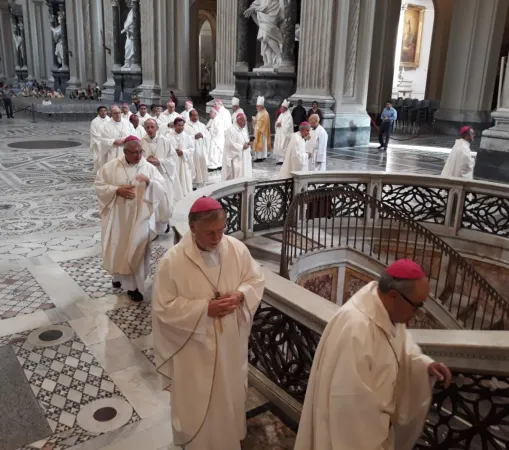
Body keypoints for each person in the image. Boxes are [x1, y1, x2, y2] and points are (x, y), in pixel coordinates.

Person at [294, 259, 452, 450]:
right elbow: (347, 408)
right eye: (417, 306)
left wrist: (424, 365)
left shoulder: (388, 315)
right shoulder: (355, 327)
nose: (417, 314)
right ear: (394, 296)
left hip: (378, 432)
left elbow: (403, 350)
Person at [152, 196, 265, 450]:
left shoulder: (236, 248)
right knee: (198, 399)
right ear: (192, 229)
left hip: (230, 347)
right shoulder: (172, 262)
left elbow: (256, 279)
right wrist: (205, 309)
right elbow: (163, 308)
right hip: (195, 349)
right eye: (209, 233)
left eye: (221, 230)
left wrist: (241, 294)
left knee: (230, 393)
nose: (217, 238)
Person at [95, 136, 167, 302]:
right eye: (134, 153)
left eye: (140, 152)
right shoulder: (110, 167)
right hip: (119, 218)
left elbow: (161, 187)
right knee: (119, 247)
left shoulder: (148, 168)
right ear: (125, 151)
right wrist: (115, 190)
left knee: (137, 249)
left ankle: (134, 287)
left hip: (141, 217)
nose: (138, 156)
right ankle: (118, 276)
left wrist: (149, 182)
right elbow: (99, 185)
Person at [142, 118, 181, 233]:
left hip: (163, 174)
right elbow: (138, 159)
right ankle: (152, 225)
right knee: (151, 201)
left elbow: (173, 158)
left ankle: (164, 223)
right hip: (148, 177)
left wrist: (160, 161)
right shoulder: (141, 141)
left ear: (157, 128)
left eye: (152, 127)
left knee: (164, 200)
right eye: (147, 127)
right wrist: (145, 161)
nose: (150, 129)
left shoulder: (165, 141)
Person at [168, 117, 195, 195]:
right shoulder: (168, 137)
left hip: (184, 162)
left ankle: (185, 194)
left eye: (182, 125)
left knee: (185, 178)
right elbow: (166, 149)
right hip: (173, 162)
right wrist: (174, 152)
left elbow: (192, 149)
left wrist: (183, 152)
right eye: (179, 125)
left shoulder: (187, 137)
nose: (181, 127)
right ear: (174, 125)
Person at [222, 113, 252, 181]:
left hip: (244, 156)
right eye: (243, 121)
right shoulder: (231, 130)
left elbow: (244, 139)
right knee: (236, 176)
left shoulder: (243, 129)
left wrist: (248, 142)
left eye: (246, 121)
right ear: (238, 120)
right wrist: (241, 147)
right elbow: (229, 144)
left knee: (244, 173)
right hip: (236, 158)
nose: (245, 123)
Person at [185, 109, 210, 188]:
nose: (196, 117)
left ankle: (201, 181)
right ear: (190, 116)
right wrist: (193, 137)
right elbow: (184, 138)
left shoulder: (202, 125)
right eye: (194, 115)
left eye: (197, 115)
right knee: (193, 165)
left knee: (201, 165)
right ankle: (193, 183)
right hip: (192, 150)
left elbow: (208, 135)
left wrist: (202, 135)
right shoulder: (186, 126)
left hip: (201, 149)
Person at [89, 106, 110, 173]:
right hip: (98, 143)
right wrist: (102, 140)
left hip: (108, 143)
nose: (103, 112)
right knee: (98, 158)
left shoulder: (110, 120)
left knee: (107, 158)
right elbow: (93, 133)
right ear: (98, 112)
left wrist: (108, 140)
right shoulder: (94, 122)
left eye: (104, 110)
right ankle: (99, 172)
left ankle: (107, 172)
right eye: (101, 111)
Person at [273, 99, 294, 164]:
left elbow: (288, 125)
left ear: (285, 108)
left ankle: (282, 160)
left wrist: (281, 125)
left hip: (284, 134)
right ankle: (279, 159)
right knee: (279, 146)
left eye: (281, 107)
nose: (280, 109)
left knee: (283, 146)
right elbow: (277, 122)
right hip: (279, 133)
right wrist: (277, 124)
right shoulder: (281, 114)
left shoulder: (288, 115)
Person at [253, 96, 271, 162]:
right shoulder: (259, 112)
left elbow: (265, 124)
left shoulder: (265, 114)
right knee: (257, 143)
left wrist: (258, 127)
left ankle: (260, 157)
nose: (256, 107)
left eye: (258, 106)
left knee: (261, 144)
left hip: (262, 132)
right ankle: (258, 156)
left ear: (261, 106)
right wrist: (255, 122)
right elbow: (258, 120)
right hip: (257, 131)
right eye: (256, 106)